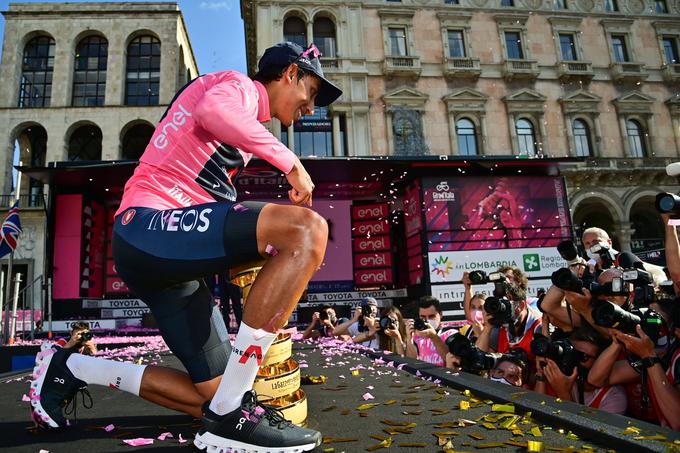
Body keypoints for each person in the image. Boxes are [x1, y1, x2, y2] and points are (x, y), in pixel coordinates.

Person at [30, 41, 342, 452]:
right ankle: (236, 417)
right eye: (312, 93)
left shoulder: (246, 127)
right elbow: (213, 111)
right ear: (289, 75)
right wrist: (293, 164)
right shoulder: (239, 88)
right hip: (148, 225)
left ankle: (74, 366)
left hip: (158, 254)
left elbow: (215, 203)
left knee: (215, 398)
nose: (311, 107)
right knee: (307, 231)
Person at [534, 327, 627, 415]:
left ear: (600, 361)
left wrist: (564, 393)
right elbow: (536, 414)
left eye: (582, 356)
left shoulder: (614, 397)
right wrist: (541, 375)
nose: (573, 359)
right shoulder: (560, 377)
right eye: (572, 352)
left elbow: (583, 431)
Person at [405, 296, 457, 366]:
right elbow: (411, 362)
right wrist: (409, 338)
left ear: (440, 314)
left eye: (431, 316)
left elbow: (453, 361)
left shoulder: (451, 333)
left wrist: (434, 337)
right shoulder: (417, 336)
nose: (427, 320)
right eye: (423, 317)